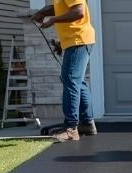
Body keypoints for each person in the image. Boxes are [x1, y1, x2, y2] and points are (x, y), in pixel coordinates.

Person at [32, 1, 97, 142]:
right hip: (75, 40)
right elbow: (61, 7)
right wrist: (42, 12)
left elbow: (78, 11)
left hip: (78, 40)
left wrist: (53, 20)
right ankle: (87, 124)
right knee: (77, 82)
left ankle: (71, 128)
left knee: (70, 80)